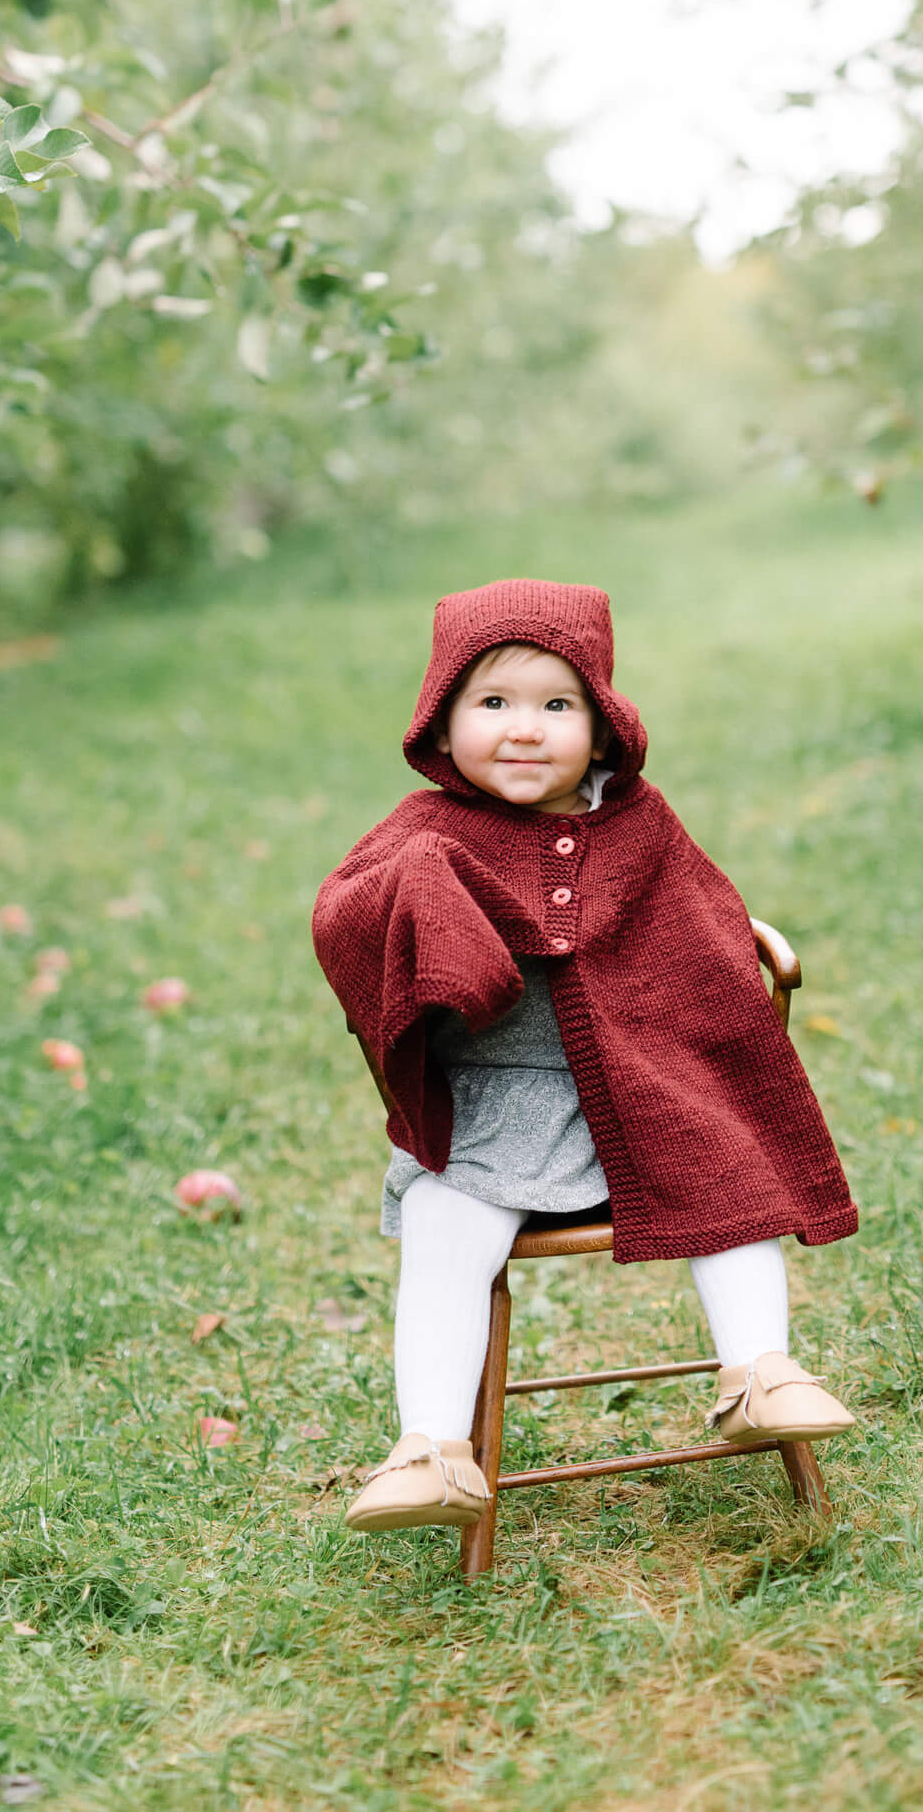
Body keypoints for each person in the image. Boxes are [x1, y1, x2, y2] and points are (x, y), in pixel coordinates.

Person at [312, 578, 857, 1533]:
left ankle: (759, 1371)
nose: (524, 730)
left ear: (602, 730)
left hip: (653, 1082)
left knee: (731, 1185)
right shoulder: (425, 832)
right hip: (499, 1111)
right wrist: (415, 892)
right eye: (493, 703)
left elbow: (705, 920)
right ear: (442, 726)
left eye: (556, 705)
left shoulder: (641, 824)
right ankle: (430, 1447)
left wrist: (716, 1001)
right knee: (447, 1226)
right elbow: (345, 912)